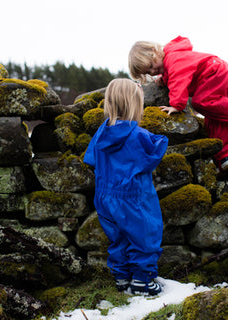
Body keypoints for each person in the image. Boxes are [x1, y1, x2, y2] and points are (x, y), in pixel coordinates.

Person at [83, 78, 168, 296]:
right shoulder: (138, 134)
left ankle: (122, 277)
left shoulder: (101, 134)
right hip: (134, 195)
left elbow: (91, 159)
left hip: (105, 196)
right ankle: (142, 280)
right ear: (135, 104)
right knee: (146, 235)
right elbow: (154, 153)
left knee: (117, 238)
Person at [128, 36, 228, 172]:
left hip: (214, 72)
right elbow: (172, 75)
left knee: (200, 102)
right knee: (214, 121)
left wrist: (176, 104)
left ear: (154, 52)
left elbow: (179, 79)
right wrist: (164, 78)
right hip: (216, 75)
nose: (153, 72)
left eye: (151, 66)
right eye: (148, 72)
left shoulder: (173, 59)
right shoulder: (169, 64)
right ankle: (224, 157)